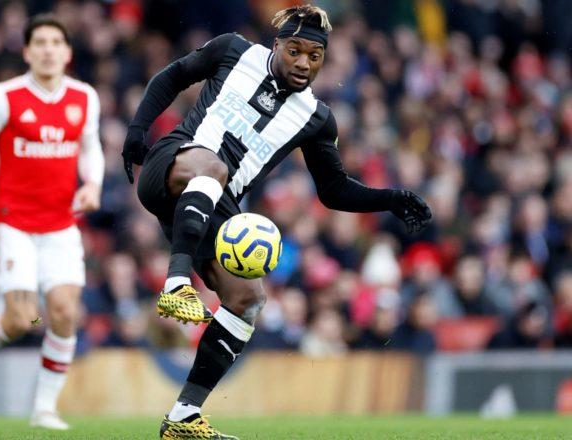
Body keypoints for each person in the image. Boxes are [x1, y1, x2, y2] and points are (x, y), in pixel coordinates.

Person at [121, 5, 432, 439]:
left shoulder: (316, 118)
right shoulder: (233, 51)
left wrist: (390, 199)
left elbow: (332, 189)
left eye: (315, 56)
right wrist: (136, 131)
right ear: (277, 45)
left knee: (248, 299)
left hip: (214, 202)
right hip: (174, 163)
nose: (304, 63)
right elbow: (172, 76)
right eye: (295, 51)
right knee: (213, 167)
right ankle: (176, 284)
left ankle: (183, 416)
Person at [0, 14, 104, 430]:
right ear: (27, 52)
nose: (48, 50)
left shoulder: (85, 97)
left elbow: (91, 147)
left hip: (61, 225)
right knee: (20, 320)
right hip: (13, 224)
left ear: (67, 52)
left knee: (64, 311)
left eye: (56, 42)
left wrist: (93, 184)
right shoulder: (5, 96)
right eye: (40, 43)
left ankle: (44, 408)